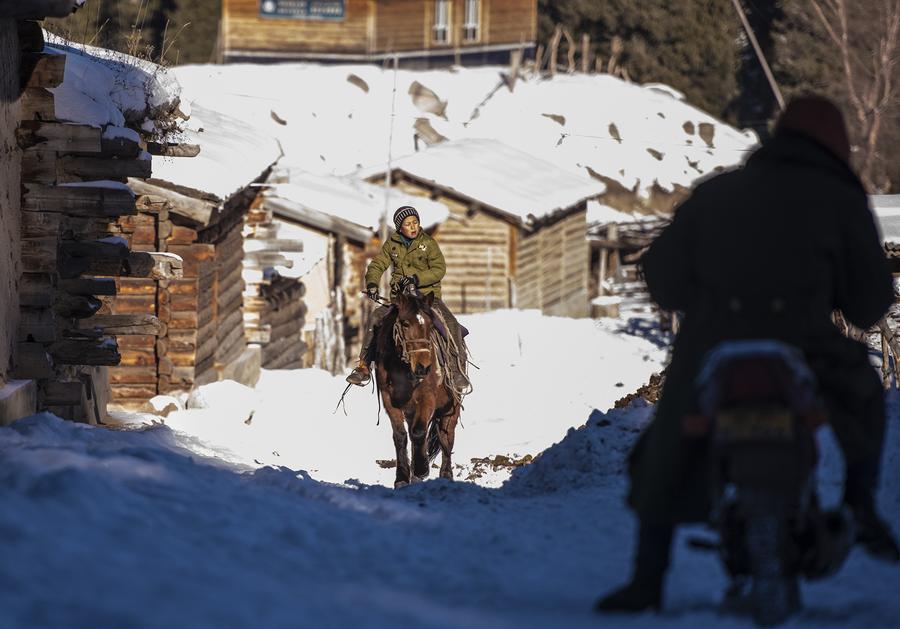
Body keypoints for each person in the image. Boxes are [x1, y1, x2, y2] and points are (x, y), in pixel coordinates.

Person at [596, 95, 900, 614]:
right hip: (806, 345)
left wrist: (711, 306)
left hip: (715, 345)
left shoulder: (718, 193)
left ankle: (647, 579)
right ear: (835, 147)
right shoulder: (840, 200)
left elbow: (663, 278)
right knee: (866, 395)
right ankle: (861, 504)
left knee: (668, 443)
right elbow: (870, 303)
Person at [346, 205, 469, 389]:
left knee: (450, 323)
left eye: (415, 223)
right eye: (408, 224)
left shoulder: (428, 243)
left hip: (428, 299)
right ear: (399, 227)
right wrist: (372, 283)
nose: (413, 227)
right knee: (375, 318)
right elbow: (378, 265)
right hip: (401, 300)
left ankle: (456, 370)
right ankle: (363, 367)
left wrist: (417, 278)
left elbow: (439, 269)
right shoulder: (392, 244)